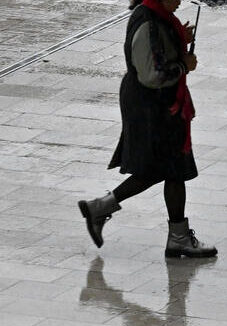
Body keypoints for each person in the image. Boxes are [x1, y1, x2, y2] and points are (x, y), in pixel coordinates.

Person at [78, 0, 217, 258]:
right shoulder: (147, 21)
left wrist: (179, 38)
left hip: (163, 106)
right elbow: (152, 74)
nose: (180, 1)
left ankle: (176, 235)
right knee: (163, 167)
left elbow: (159, 54)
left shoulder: (158, 16)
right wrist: (184, 64)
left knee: (172, 168)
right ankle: (175, 236)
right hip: (152, 108)